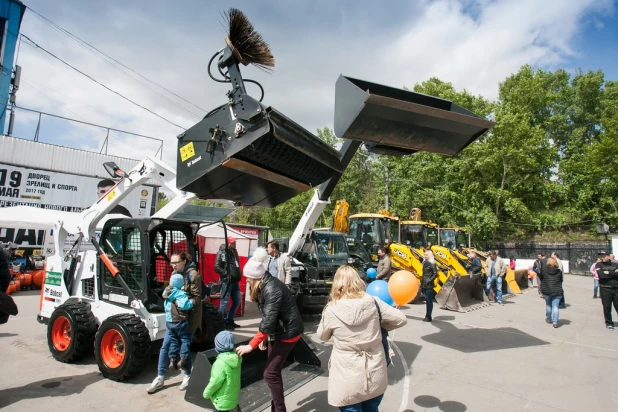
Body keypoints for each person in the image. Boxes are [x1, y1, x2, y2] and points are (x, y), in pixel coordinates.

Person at [316, 265, 407, 411]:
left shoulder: (331, 309)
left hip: (346, 376)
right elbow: (401, 319)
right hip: (374, 372)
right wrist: (380, 324)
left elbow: (322, 335)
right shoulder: (373, 301)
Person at [236, 261, 303, 412]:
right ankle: (277, 408)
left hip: (288, 332)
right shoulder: (265, 285)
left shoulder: (271, 288)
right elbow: (270, 316)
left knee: (270, 373)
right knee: (273, 371)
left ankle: (279, 410)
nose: (246, 280)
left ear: (255, 278)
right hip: (279, 330)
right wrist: (265, 336)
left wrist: (251, 345)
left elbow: (268, 320)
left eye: (248, 278)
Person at [148, 252, 202, 393]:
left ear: (184, 261)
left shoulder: (193, 275)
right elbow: (168, 292)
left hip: (188, 319)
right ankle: (160, 377)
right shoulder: (174, 274)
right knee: (165, 345)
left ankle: (187, 376)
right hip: (174, 318)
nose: (173, 265)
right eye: (171, 262)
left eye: (176, 262)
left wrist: (183, 301)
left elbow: (197, 298)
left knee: (185, 346)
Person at [203, 331, 242, 412]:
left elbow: (215, 382)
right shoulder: (237, 359)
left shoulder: (219, 364)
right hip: (232, 398)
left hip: (221, 401)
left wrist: (206, 393)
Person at [215, 236, 242, 330]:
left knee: (237, 300)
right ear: (227, 243)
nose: (234, 244)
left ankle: (230, 320)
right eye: (232, 242)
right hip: (226, 281)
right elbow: (217, 266)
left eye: (234, 242)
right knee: (224, 302)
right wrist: (226, 273)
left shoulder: (235, 252)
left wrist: (239, 272)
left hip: (235, 280)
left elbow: (236, 264)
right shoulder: (222, 252)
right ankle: (223, 322)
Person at [595, 251, 618, 331]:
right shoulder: (598, 265)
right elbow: (602, 275)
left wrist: (608, 273)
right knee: (607, 307)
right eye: (601, 256)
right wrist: (613, 273)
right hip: (605, 288)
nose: (602, 258)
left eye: (604, 256)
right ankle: (609, 323)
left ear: (608, 256)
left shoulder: (615, 264)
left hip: (616, 288)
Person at [538, 257, 564, 328]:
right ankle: (555, 322)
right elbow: (561, 280)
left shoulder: (544, 270)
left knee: (548, 305)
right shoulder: (559, 271)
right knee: (555, 306)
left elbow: (541, 278)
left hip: (547, 290)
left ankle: (549, 318)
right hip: (557, 290)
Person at [421, 250, 438, 322]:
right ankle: (427, 315)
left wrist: (429, 280)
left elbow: (435, 274)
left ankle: (429, 316)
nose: (425, 256)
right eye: (424, 255)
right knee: (427, 301)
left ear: (430, 255)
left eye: (426, 255)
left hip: (429, 284)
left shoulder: (432, 263)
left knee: (429, 301)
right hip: (424, 283)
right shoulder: (424, 263)